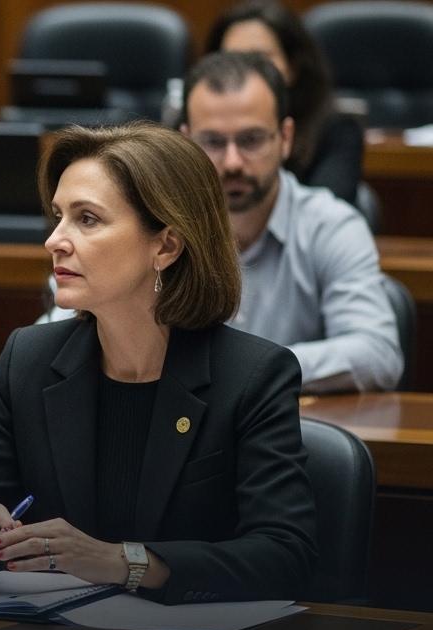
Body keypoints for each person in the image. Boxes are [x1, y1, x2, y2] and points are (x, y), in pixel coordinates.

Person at [0, 123, 317, 604]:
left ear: (165, 246)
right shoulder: (31, 360)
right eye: (58, 216)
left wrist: (126, 562)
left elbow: (284, 555)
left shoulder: (251, 376)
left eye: (87, 219)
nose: (55, 241)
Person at [46, 54, 401, 393]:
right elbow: (54, 343)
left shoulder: (332, 225)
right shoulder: (148, 229)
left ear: (286, 138)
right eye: (213, 142)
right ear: (184, 140)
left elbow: (377, 353)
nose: (232, 162)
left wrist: (246, 371)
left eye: (251, 140)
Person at [205, 0, 362, 205]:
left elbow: (326, 217)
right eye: (231, 60)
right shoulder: (191, 124)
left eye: (259, 59)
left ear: (292, 67)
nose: (243, 73)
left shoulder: (335, 129)